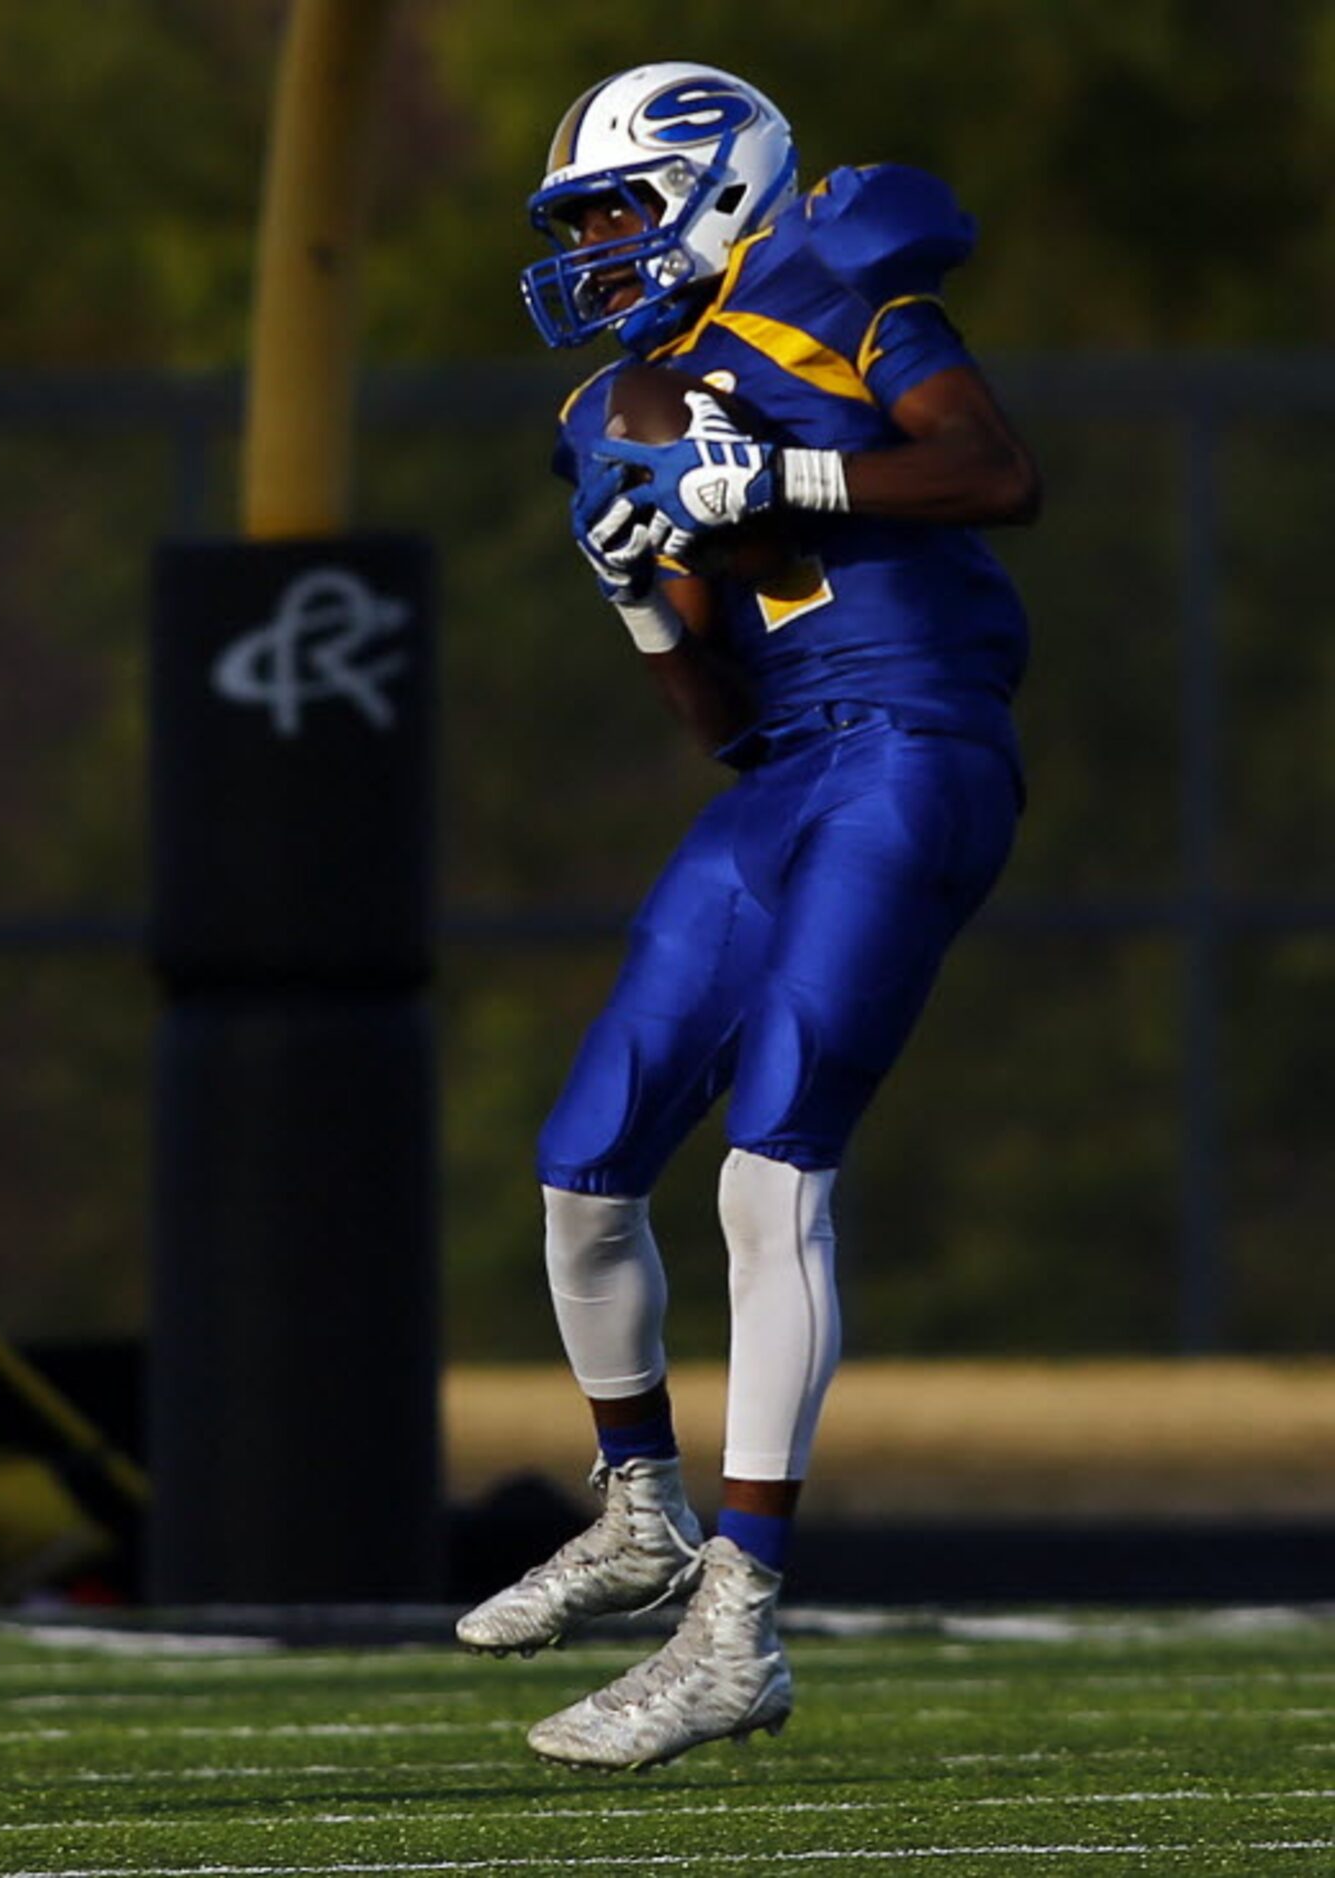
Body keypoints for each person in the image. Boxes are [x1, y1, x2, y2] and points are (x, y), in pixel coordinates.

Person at [452, 63, 1041, 1771]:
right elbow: (716, 710)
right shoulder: (602, 412)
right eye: (583, 226)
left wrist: (775, 479)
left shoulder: (842, 282)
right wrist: (646, 606)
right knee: (582, 1159)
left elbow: (995, 471)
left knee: (770, 1166)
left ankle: (741, 1617)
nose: (600, 251)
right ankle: (638, 1507)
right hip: (779, 773)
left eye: (619, 210)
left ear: (718, 183)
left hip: (915, 745)